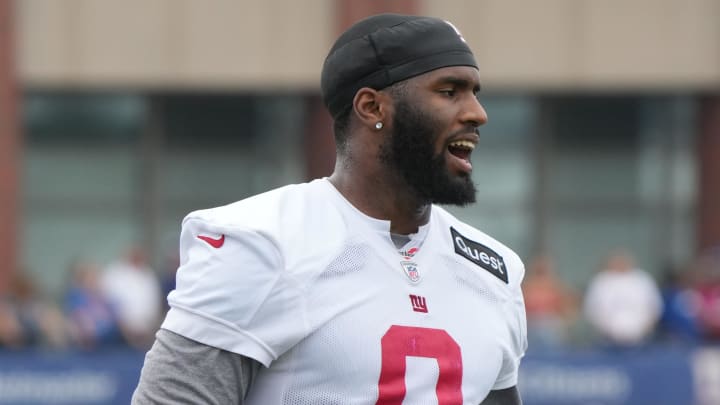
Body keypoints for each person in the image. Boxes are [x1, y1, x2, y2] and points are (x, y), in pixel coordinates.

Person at [133, 13, 527, 405]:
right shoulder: (266, 243)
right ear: (372, 108)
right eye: (449, 91)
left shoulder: (493, 271)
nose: (477, 113)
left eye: (475, 92)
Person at [583, 250, 663, 346]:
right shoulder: (601, 280)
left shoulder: (642, 279)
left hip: (641, 339)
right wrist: (605, 329)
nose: (620, 264)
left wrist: (646, 328)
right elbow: (592, 308)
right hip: (607, 339)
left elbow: (654, 306)